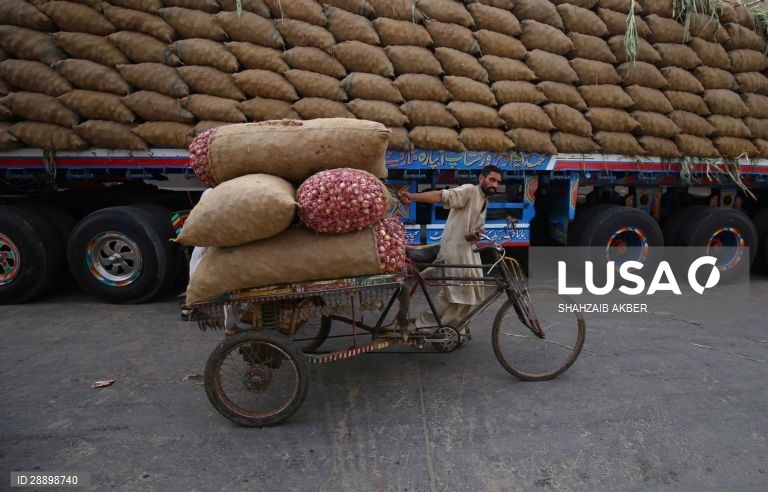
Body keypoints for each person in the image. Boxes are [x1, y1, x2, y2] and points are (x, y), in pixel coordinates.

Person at [398, 165, 503, 335]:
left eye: (498, 182)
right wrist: (413, 197)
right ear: (481, 178)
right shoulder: (469, 191)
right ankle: (424, 325)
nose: (495, 185)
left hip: (467, 249)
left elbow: (473, 231)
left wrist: (474, 235)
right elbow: (442, 196)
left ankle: (455, 327)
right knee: (455, 293)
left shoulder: (484, 199)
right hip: (455, 250)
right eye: (492, 179)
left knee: (470, 292)